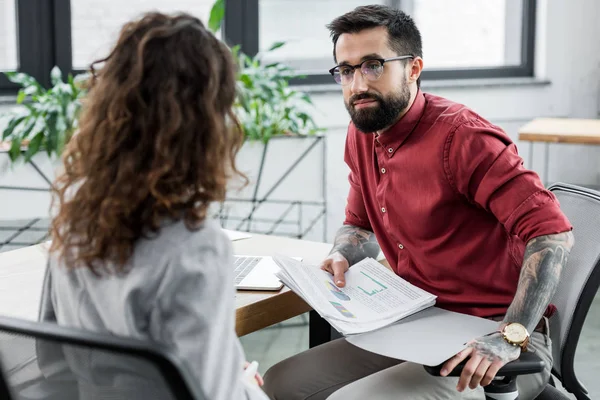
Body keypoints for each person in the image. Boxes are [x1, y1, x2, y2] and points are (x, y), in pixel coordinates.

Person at [263, 5, 574, 400]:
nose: (357, 84)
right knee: (281, 383)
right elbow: (358, 224)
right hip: (416, 324)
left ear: (413, 68)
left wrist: (510, 337)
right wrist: (343, 253)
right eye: (346, 70)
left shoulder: (463, 138)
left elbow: (553, 233)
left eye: (373, 66)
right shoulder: (364, 131)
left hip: (494, 338)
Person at [41, 12, 269, 400]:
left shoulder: (74, 215)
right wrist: (244, 386)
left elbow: (51, 363)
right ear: (206, 124)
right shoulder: (194, 247)